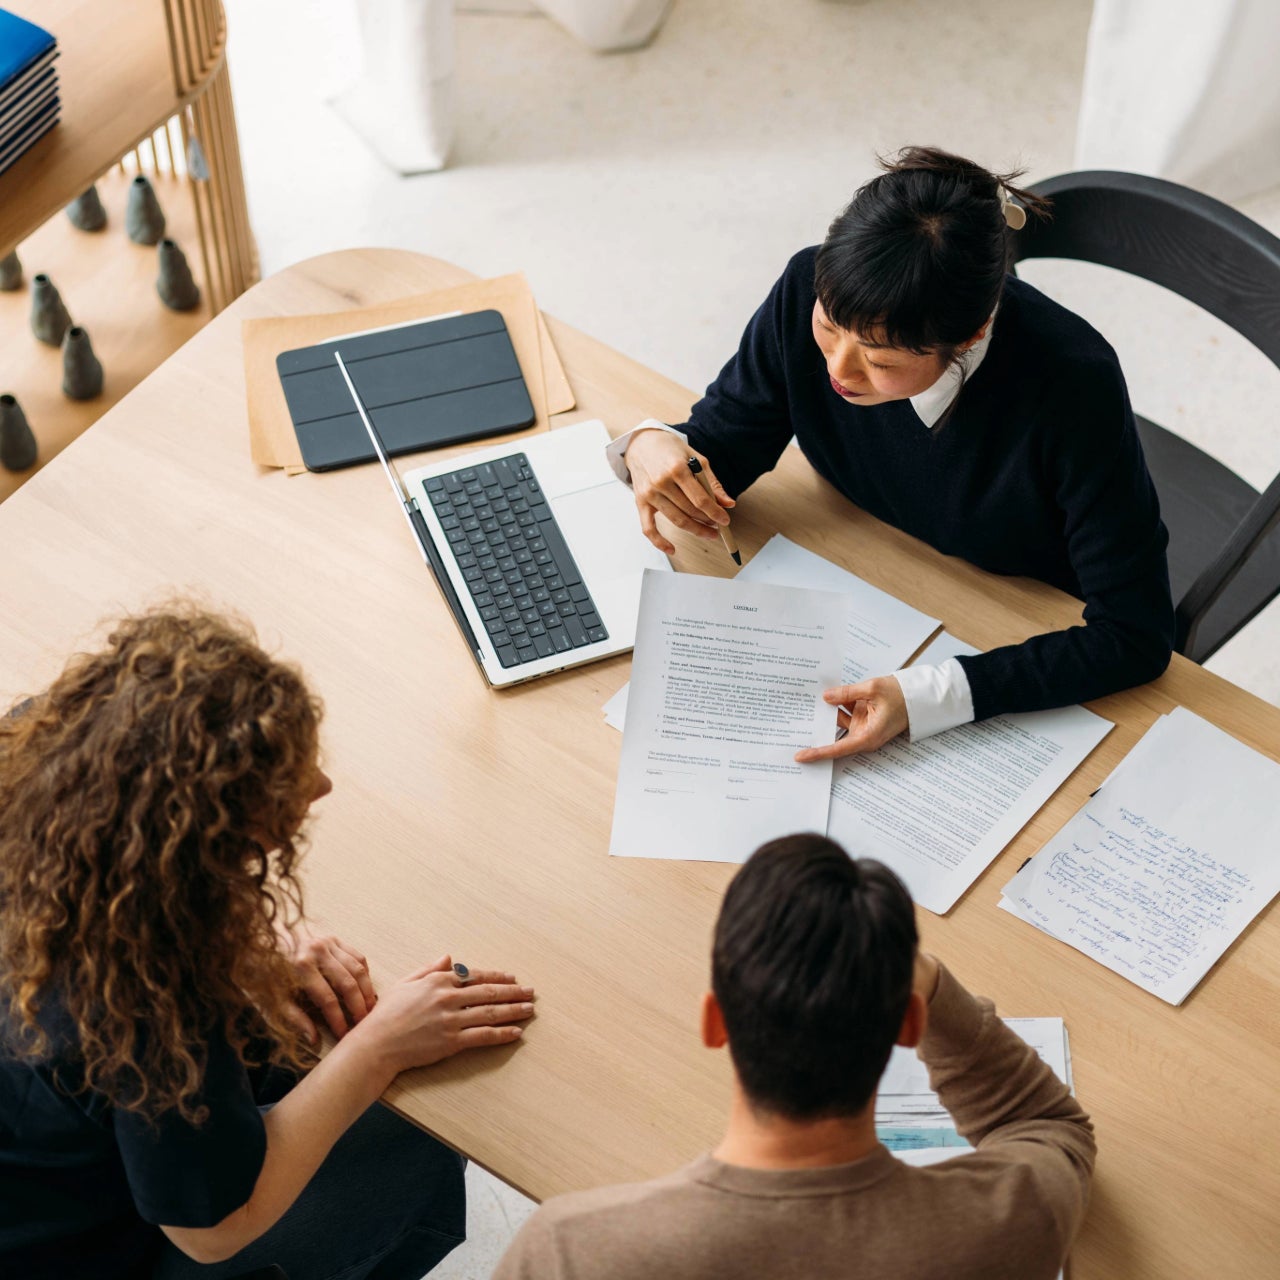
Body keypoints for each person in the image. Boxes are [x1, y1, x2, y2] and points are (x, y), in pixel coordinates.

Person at [0, 606, 535, 1280]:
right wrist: (380, 1049)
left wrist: (250, 938)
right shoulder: (142, 1002)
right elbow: (216, 1229)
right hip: (73, 1256)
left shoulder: (35, 766)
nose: (320, 786)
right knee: (416, 1136)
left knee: (300, 1042)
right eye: (283, 790)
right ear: (198, 848)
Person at [606, 146, 1174, 759]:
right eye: (828, 328)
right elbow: (727, 442)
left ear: (972, 334)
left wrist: (928, 697)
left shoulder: (1073, 387)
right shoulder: (808, 286)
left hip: (1020, 600)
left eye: (880, 360)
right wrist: (652, 444)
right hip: (866, 550)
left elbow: (1136, 635)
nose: (837, 369)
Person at [493, 833, 1095, 1280]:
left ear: (715, 1023)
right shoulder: (1012, 1220)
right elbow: (1047, 1126)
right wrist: (931, 981)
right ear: (909, 1025)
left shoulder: (570, 1252)